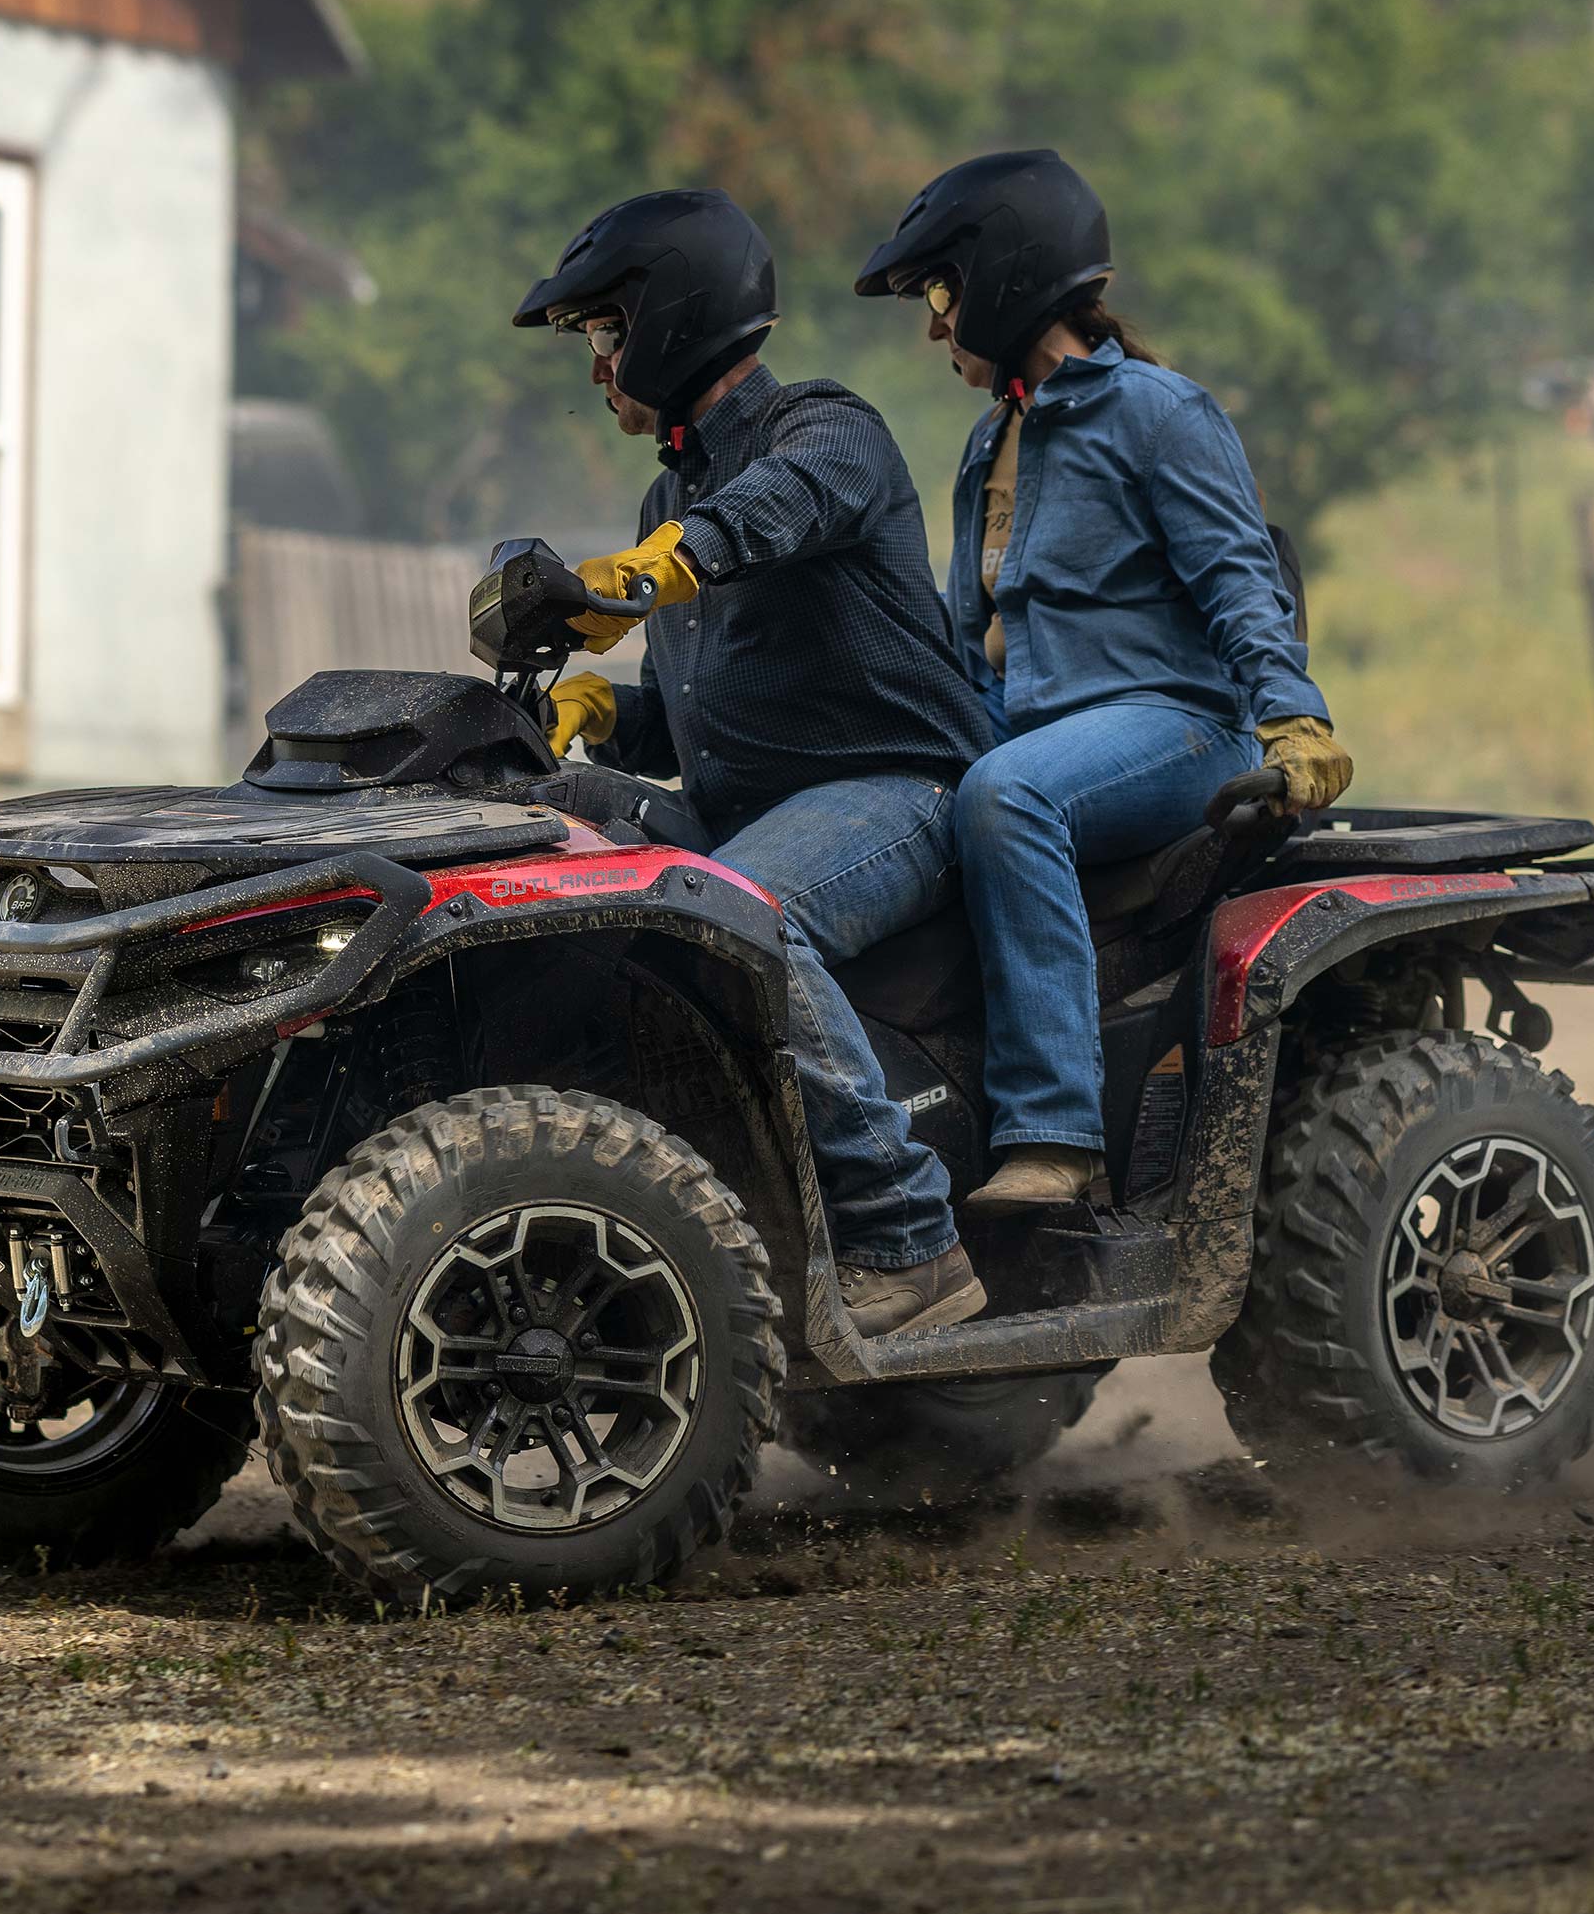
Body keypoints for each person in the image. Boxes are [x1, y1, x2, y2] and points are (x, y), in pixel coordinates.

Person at [509, 188, 999, 1335]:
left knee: (747, 913)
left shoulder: (825, 432)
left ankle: (907, 1240)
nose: (598, 368)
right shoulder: (668, 495)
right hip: (744, 806)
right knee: (549, 822)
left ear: (675, 319)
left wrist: (648, 572)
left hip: (901, 793)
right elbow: (707, 721)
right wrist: (600, 719)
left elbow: (774, 513)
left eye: (606, 335)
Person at [853, 149, 1355, 1210]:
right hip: (1034, 735)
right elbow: (961, 638)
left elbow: (1237, 583)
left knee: (1007, 794)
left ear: (1002, 277)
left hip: (1176, 726)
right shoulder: (986, 442)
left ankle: (1055, 1140)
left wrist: (1293, 720)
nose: (935, 325)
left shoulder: (1157, 413)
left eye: (940, 292)